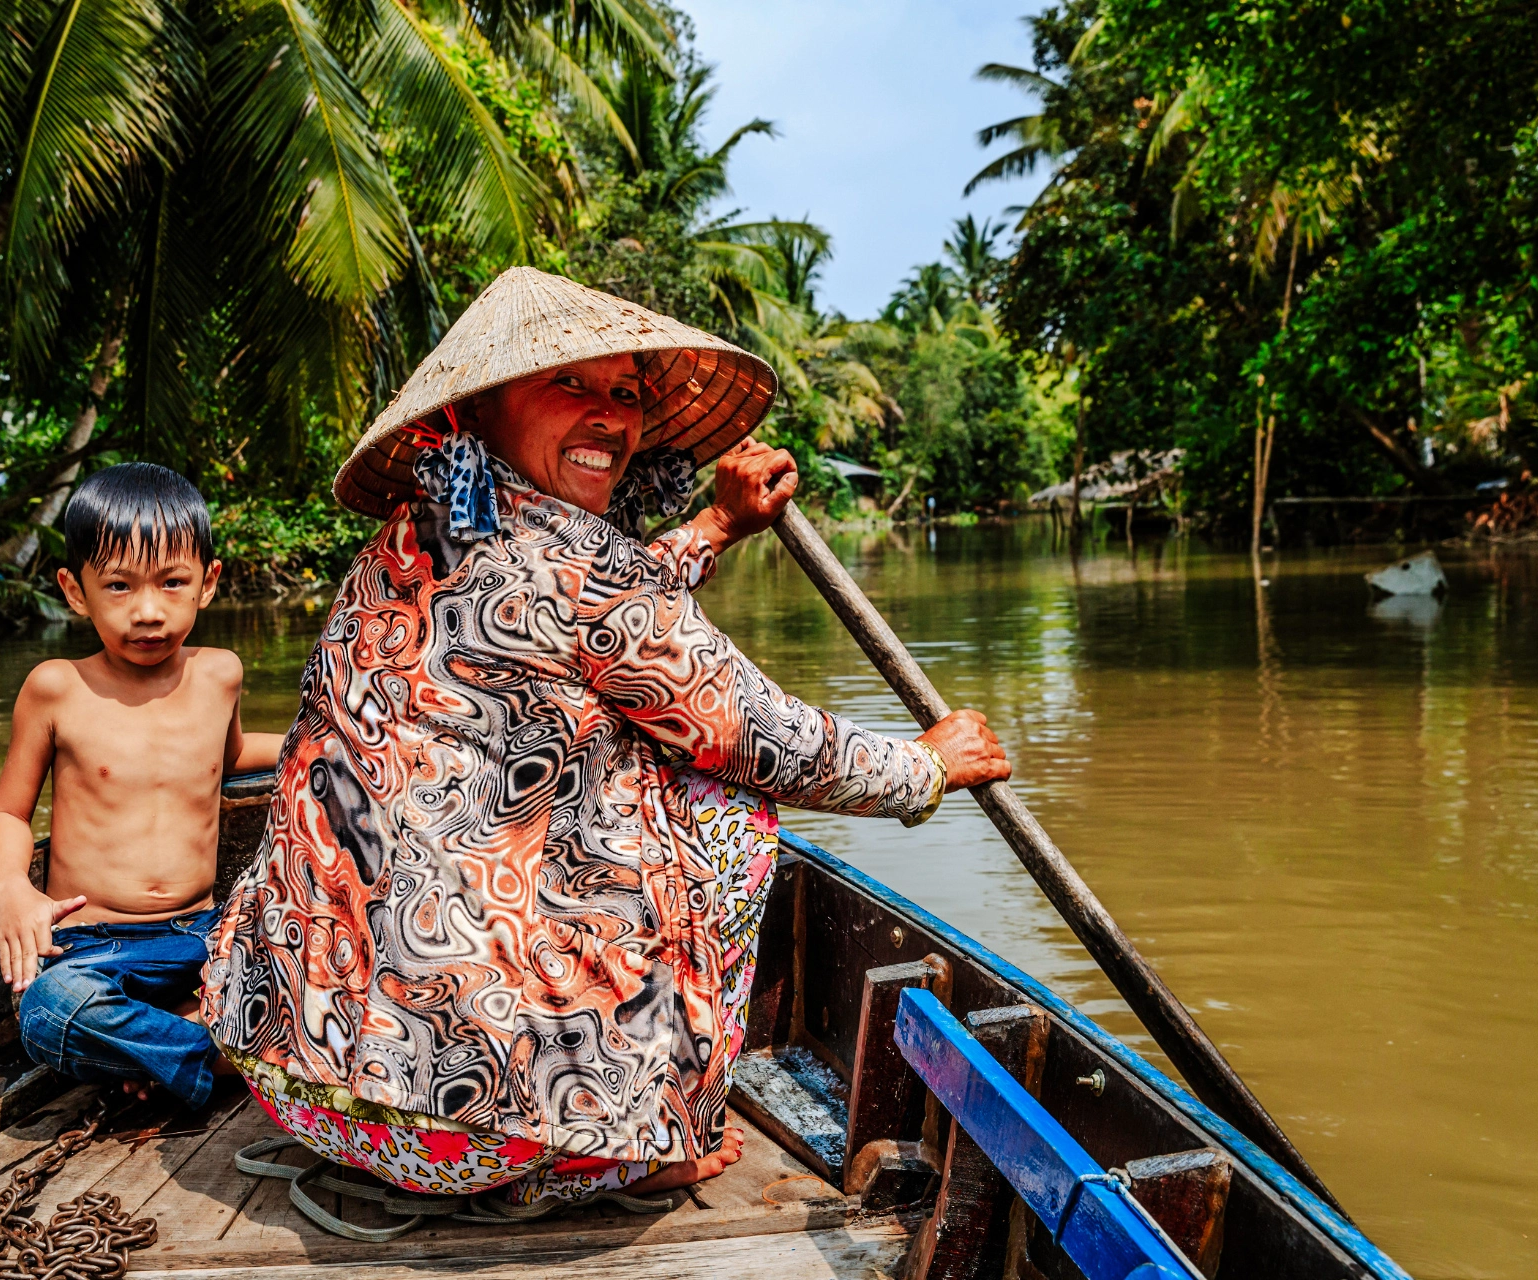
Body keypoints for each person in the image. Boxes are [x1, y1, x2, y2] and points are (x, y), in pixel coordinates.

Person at [201, 268, 1010, 1220]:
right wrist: (927, 766)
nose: (610, 418)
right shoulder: (583, 569)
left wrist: (713, 526)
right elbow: (764, 737)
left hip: (296, 1077)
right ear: (479, 411)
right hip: (475, 1133)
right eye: (569, 385)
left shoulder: (418, 532)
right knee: (723, 806)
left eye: (625, 394)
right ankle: (652, 1134)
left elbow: (595, 613)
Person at [0, 462, 283, 1107]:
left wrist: (321, 744)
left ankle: (161, 1051)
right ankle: (219, 1054)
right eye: (118, 586)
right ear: (74, 590)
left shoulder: (219, 674)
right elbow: (9, 813)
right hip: (92, 946)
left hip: (201, 933)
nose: (148, 611)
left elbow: (227, 758)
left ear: (208, 583)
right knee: (48, 1013)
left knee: (306, 951)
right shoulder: (57, 687)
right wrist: (12, 890)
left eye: (173, 583)